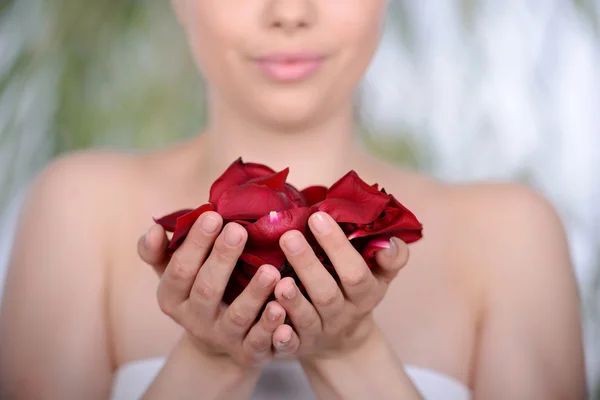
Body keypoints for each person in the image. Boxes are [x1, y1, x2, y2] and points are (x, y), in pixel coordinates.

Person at [0, 1, 587, 399]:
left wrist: (351, 350)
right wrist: (208, 358)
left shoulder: (512, 235)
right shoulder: (77, 209)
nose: (288, 12)